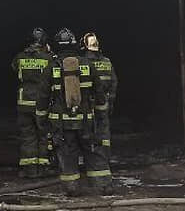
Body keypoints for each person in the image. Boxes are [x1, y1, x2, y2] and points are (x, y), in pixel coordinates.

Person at [46, 28, 113, 196]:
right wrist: (100, 116)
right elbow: (99, 94)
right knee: (93, 151)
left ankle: (72, 188)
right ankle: (103, 186)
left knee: (67, 154)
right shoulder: (88, 65)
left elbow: (42, 98)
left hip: (62, 124)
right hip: (86, 121)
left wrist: (42, 122)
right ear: (75, 45)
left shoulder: (52, 66)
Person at [11, 27, 53, 178]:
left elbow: (14, 68)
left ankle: (29, 170)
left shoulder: (20, 57)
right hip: (41, 102)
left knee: (27, 136)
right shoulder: (48, 58)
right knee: (44, 135)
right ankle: (43, 168)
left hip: (23, 102)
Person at [82, 31, 117, 177]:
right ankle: (105, 158)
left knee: (89, 131)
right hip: (104, 103)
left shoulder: (84, 62)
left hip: (89, 104)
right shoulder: (107, 62)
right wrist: (111, 100)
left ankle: (92, 161)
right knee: (104, 132)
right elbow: (114, 82)